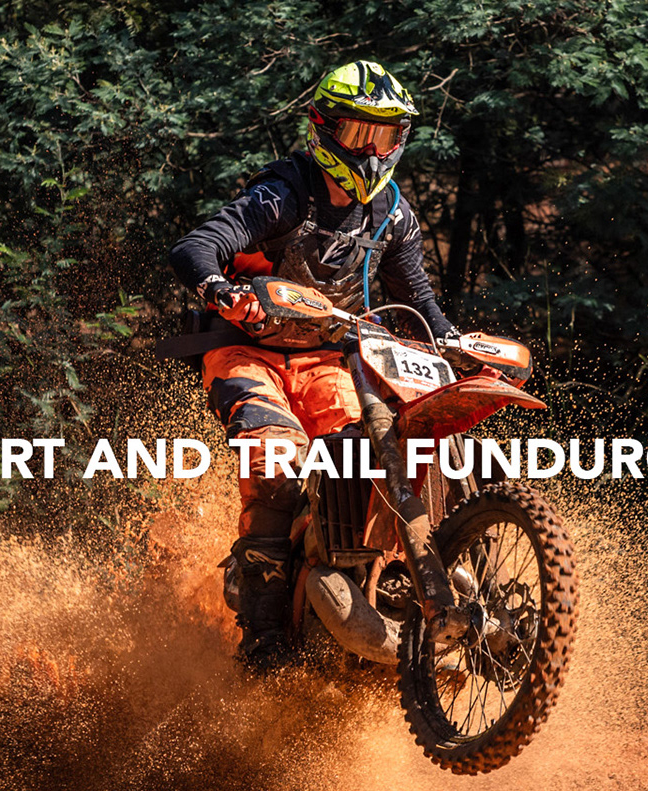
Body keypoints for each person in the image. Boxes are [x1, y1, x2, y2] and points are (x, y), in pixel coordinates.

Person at [167, 60, 460, 672]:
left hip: (334, 356)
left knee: (373, 449)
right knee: (274, 460)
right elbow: (196, 245)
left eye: (384, 136)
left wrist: (452, 341)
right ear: (323, 130)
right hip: (249, 350)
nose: (372, 151)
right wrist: (222, 289)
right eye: (358, 135)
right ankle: (266, 636)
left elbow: (422, 303)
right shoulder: (284, 192)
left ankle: (389, 573)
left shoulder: (393, 215)